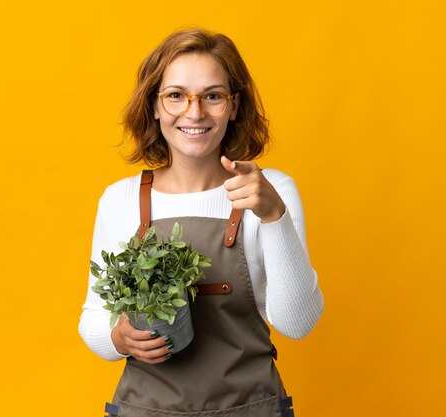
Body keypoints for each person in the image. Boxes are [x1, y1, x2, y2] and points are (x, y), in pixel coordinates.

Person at [79, 28, 324, 417]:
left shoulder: (272, 190)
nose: (194, 113)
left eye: (212, 96)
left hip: (251, 409)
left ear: (234, 105)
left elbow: (298, 323)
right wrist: (119, 338)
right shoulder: (120, 198)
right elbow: (92, 319)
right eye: (176, 96)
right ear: (155, 106)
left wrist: (274, 216)